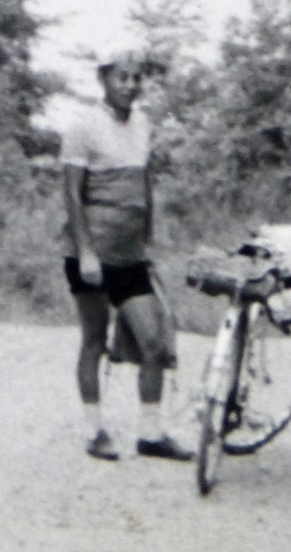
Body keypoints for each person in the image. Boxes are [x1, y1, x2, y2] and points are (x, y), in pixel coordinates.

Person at [60, 51, 192, 463]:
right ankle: (94, 430)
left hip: (131, 257)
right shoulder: (82, 125)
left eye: (137, 78)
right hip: (92, 255)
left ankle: (150, 433)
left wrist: (146, 237)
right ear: (103, 79)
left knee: (153, 342)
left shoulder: (142, 123)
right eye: (122, 77)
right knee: (95, 341)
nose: (130, 85)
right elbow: (72, 194)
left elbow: (143, 183)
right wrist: (85, 253)